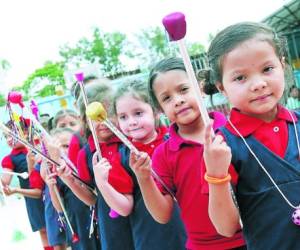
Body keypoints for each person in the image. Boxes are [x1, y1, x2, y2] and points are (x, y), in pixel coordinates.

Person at [129, 57, 245, 250]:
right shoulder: (164, 154)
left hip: (253, 237)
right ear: (160, 109)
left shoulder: (234, 131)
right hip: (202, 246)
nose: (178, 100)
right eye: (167, 98)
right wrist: (144, 178)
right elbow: (162, 214)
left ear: (199, 87)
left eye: (183, 89)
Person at [203, 22, 300, 249]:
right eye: (240, 78)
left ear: (282, 65)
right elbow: (226, 227)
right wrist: (216, 173)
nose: (258, 84)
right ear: (222, 88)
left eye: (267, 69)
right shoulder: (221, 146)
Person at [93, 79, 187, 250]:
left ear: (156, 112)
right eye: (123, 117)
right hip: (152, 240)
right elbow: (124, 208)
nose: (132, 122)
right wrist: (102, 183)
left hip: (191, 233)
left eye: (138, 113)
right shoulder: (122, 158)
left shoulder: (176, 142)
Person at [55, 80, 134, 250]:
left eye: (109, 112)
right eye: (95, 117)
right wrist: (69, 180)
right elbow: (91, 199)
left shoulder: (130, 143)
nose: (102, 120)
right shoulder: (87, 155)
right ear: (85, 120)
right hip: (112, 225)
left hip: (141, 216)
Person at [1, 120, 49, 249]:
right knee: (43, 229)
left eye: (12, 134)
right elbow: (5, 181)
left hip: (50, 191)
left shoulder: (40, 147)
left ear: (26, 132)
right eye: (6, 136)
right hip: (33, 198)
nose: (9, 139)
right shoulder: (9, 159)